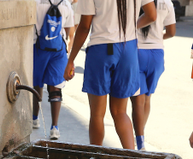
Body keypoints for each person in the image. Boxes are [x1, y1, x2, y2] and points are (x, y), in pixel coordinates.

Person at [64, 0, 157, 149]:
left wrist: (71, 59)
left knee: (97, 114)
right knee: (120, 112)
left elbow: (84, 26)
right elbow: (152, 15)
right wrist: (131, 27)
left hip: (101, 49)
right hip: (128, 48)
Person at [130, 0, 176, 151]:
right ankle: (141, 138)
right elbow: (171, 32)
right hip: (156, 53)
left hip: (136, 50)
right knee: (147, 98)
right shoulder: (167, 3)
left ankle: (140, 141)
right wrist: (156, 38)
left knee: (138, 99)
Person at [32, 0, 74, 140]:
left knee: (37, 83)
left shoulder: (36, 2)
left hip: (38, 46)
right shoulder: (66, 4)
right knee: (55, 86)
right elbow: (68, 31)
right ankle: (54, 127)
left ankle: (35, 118)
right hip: (58, 49)